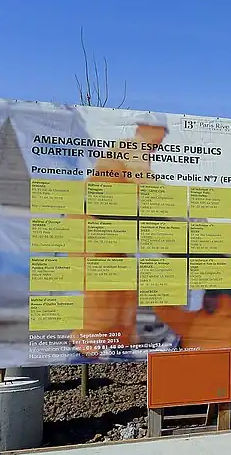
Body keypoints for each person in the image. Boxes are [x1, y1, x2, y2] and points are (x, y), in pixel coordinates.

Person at [69, 112, 170, 358]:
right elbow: (146, 183)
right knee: (100, 289)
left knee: (123, 286)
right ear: (145, 130)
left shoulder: (131, 151)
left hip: (109, 229)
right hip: (93, 227)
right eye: (160, 135)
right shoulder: (132, 150)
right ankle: (86, 339)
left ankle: (120, 338)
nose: (160, 143)